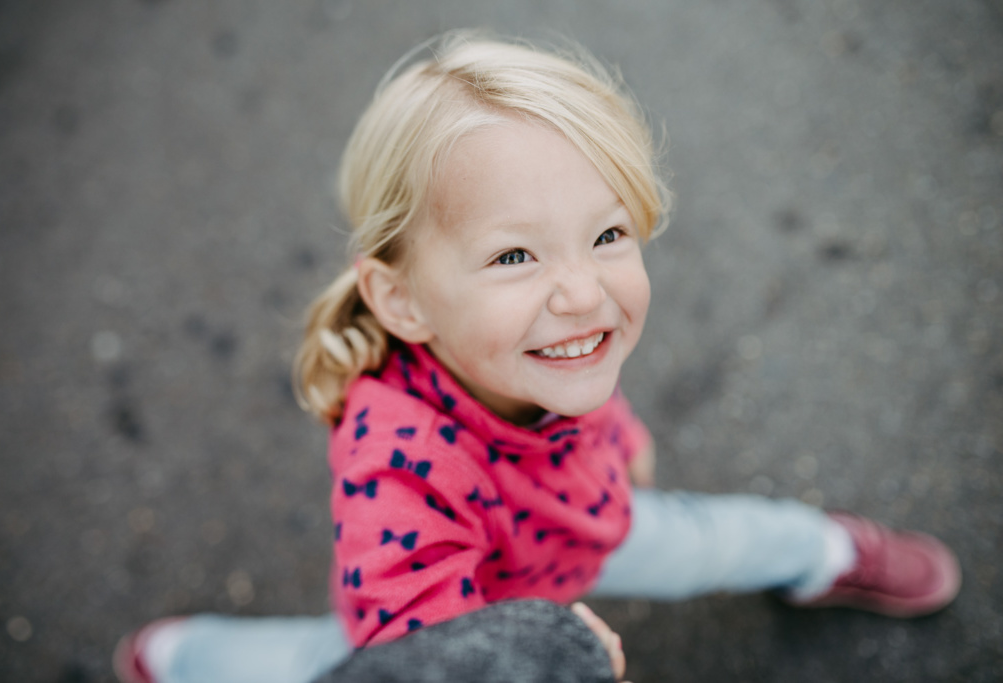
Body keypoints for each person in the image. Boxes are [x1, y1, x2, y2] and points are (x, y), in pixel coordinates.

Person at [114, 32, 961, 683]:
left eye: (607, 234)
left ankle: (819, 554)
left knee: (715, 538)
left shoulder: (532, 344)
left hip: (593, 521)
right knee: (323, 664)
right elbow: (428, 654)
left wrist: (619, 432)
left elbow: (585, 371)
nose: (585, 293)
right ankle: (191, 657)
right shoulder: (396, 474)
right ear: (401, 297)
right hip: (496, 602)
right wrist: (529, 651)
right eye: (514, 256)